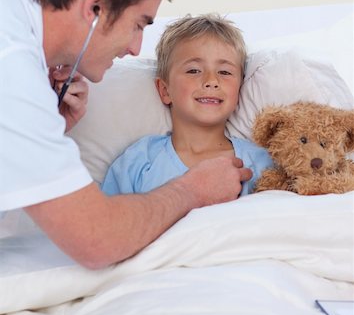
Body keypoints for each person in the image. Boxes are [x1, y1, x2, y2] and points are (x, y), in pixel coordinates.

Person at [0, 0, 252, 270]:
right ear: (95, 6)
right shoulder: (13, 70)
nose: (135, 48)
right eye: (138, 24)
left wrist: (47, 128)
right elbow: (97, 240)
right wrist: (193, 190)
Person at [102, 14, 273, 196]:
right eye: (194, 70)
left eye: (224, 72)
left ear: (239, 91)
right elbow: (107, 220)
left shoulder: (260, 163)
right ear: (165, 91)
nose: (211, 81)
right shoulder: (138, 161)